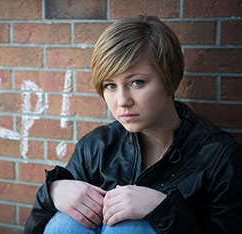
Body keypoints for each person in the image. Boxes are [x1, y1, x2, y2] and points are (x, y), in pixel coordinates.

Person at [24, 15, 242, 234]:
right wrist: (51, 194)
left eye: (137, 82)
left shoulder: (220, 157)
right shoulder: (96, 146)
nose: (122, 101)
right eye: (110, 85)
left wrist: (164, 209)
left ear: (170, 80)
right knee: (66, 222)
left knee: (128, 229)